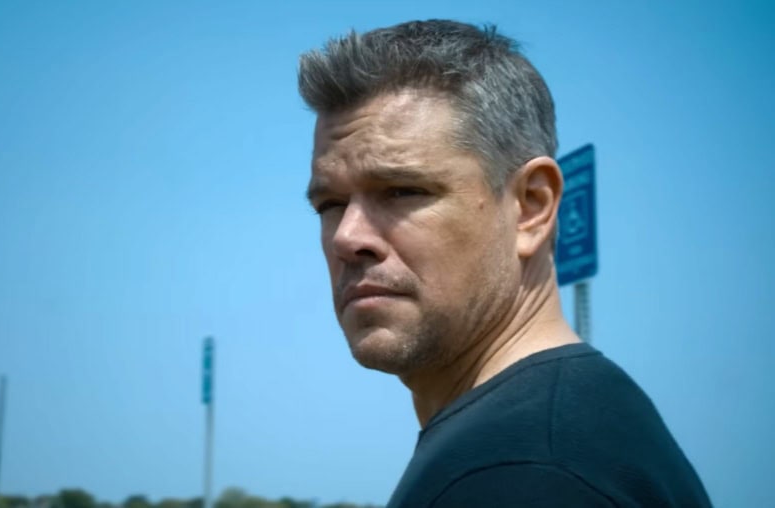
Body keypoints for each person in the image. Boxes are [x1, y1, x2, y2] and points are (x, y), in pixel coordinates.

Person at [298, 20, 711, 507]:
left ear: (532, 206)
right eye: (330, 204)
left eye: (402, 191)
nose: (347, 237)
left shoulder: (527, 474)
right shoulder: (566, 440)